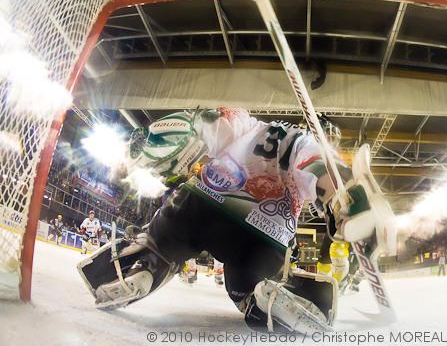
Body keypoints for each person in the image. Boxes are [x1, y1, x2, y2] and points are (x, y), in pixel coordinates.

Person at [78, 107, 372, 333]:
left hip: (204, 202)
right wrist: (342, 197)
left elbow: (204, 121)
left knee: (162, 243)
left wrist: (156, 142)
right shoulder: (308, 144)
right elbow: (317, 168)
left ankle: (145, 266)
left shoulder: (251, 124)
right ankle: (263, 297)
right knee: (250, 284)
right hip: (264, 234)